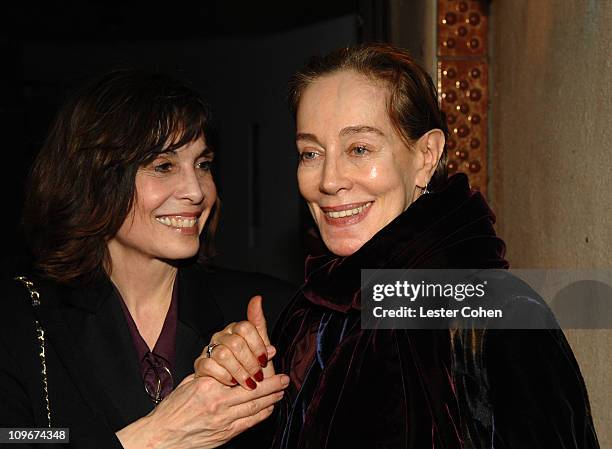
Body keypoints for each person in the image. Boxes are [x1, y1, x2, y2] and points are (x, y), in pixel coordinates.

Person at [197, 44, 600, 448]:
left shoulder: (495, 315)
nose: (329, 180)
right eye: (311, 153)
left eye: (359, 149)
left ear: (426, 156)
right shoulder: (311, 314)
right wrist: (239, 402)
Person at [0, 69, 294, 448]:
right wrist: (158, 436)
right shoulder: (21, 318)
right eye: (163, 165)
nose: (195, 191)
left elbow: (378, 314)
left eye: (202, 165)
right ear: (95, 180)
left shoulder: (260, 311)